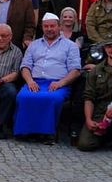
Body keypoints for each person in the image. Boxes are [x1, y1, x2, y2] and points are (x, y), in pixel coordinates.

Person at [13, 13, 82, 143]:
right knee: (23, 96)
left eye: (52, 26)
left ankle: (47, 134)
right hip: (35, 81)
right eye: (46, 26)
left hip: (59, 83)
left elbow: (76, 70)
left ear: (59, 27)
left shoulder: (70, 46)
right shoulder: (34, 45)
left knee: (51, 98)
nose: (49, 29)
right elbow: (25, 66)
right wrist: (30, 81)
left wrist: (61, 83)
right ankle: (26, 132)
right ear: (42, 27)